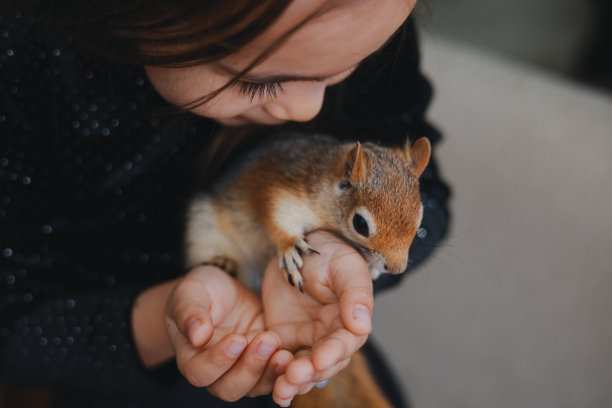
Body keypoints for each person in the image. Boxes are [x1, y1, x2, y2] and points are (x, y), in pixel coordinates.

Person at [0, 0, 451, 407]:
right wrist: (170, 317)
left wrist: (341, 261)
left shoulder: (365, 17)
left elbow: (424, 195)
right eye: (260, 83)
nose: (308, 110)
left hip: (300, 318)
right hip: (117, 347)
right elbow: (15, 333)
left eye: (346, 68)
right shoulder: (28, 58)